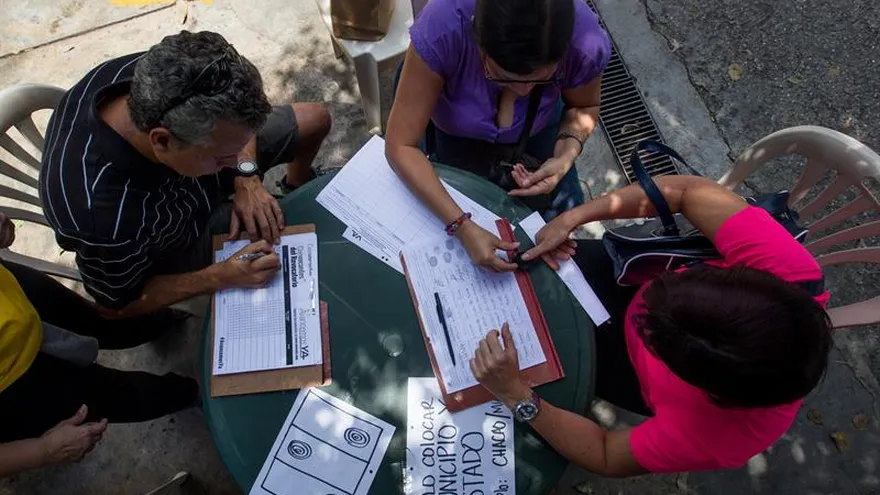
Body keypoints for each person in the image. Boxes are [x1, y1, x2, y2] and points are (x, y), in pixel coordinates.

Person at [469, 175, 832, 476]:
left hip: (623, 368)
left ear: (702, 386)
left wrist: (519, 396)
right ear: (744, 277)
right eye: (683, 279)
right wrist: (574, 217)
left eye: (653, 335)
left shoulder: (724, 436)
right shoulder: (787, 269)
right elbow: (687, 191)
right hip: (622, 281)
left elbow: (606, 454)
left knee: (531, 373)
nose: (646, 306)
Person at [39, 30, 332, 317]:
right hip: (178, 239)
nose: (235, 162)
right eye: (223, 157)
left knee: (314, 120)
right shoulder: (99, 218)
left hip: (196, 176)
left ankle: (296, 183)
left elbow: (240, 147)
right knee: (293, 233)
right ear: (163, 141)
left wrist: (247, 177)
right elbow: (117, 305)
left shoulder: (165, 74)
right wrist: (218, 276)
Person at [385, 0, 611, 272]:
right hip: (456, 140)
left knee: (551, 229)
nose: (523, 92)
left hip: (538, 136)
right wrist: (462, 226)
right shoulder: (443, 27)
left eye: (541, 80)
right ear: (476, 38)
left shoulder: (584, 40)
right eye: (502, 77)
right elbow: (401, 145)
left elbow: (583, 106)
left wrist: (565, 154)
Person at [0, 213, 198, 476]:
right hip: (15, 385)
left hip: (14, 291)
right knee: (117, 396)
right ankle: (193, 392)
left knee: (100, 319)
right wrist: (42, 450)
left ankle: (161, 320)